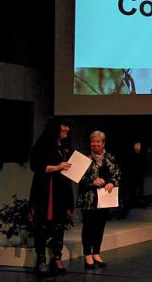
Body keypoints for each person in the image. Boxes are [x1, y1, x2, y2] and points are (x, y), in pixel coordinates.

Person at [28, 117, 74, 276]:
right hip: (45, 189)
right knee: (41, 225)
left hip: (61, 189)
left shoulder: (66, 148)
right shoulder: (42, 146)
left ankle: (57, 258)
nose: (67, 129)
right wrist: (57, 167)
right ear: (56, 128)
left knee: (59, 225)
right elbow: (35, 166)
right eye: (64, 126)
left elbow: (69, 171)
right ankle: (41, 259)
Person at [77, 130, 120, 269]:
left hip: (105, 198)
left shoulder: (110, 158)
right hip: (89, 198)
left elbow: (117, 174)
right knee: (88, 225)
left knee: (100, 226)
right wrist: (92, 181)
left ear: (103, 143)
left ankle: (96, 252)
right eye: (93, 141)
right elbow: (77, 176)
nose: (95, 144)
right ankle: (87, 254)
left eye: (98, 141)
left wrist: (111, 183)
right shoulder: (85, 158)